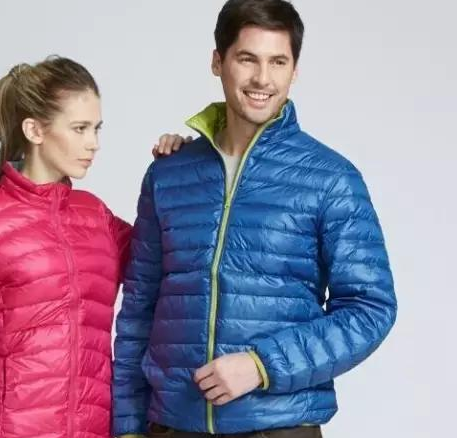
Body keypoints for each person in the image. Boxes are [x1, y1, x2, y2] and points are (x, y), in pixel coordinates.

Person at [112, 1, 397, 437]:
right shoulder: (169, 175)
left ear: (294, 70)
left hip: (279, 426)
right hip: (172, 426)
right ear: (218, 61)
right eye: (247, 59)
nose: (263, 78)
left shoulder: (330, 179)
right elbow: (138, 309)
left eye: (278, 62)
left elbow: (369, 309)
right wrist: (128, 427)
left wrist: (262, 365)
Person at [0, 56, 188, 438]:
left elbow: (167, 258)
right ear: (34, 130)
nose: (93, 143)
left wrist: (180, 173)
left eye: (96, 128)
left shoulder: (95, 215)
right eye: (79, 128)